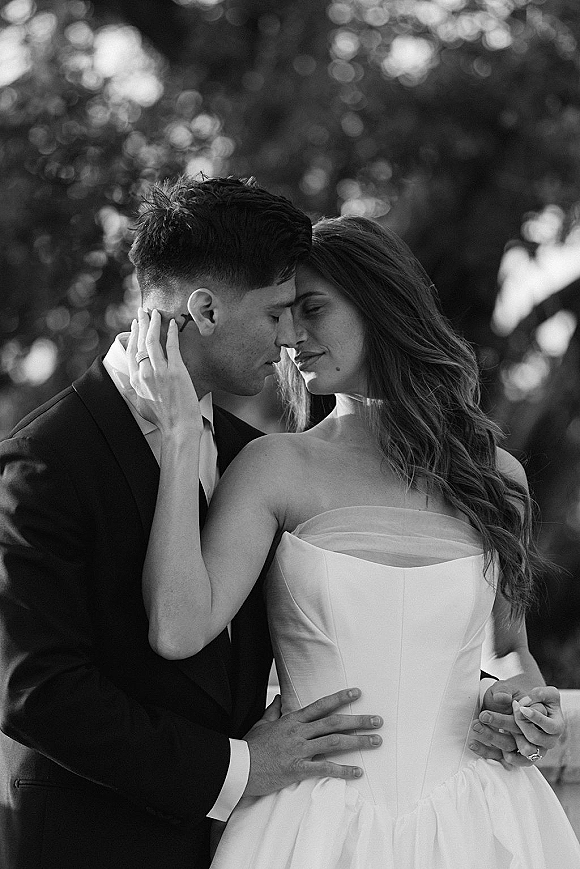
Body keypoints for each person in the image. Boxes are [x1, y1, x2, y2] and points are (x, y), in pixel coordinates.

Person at [124, 214, 580, 868]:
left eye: (312, 309)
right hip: (315, 824)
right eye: (282, 317)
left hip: (479, 824)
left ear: (380, 306)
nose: (291, 338)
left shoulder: (495, 477)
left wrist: (525, 710)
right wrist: (178, 442)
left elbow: (511, 654)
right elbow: (177, 627)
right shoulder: (274, 466)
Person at [0, 178, 396, 869]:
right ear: (205, 308)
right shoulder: (41, 461)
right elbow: (37, 690)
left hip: (246, 845)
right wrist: (236, 770)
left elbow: (339, 613)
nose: (290, 339)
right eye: (276, 313)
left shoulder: (253, 454)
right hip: (87, 846)